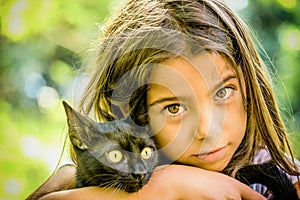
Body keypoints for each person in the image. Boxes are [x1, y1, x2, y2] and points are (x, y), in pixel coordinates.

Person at [27, 0, 300, 199]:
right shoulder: (110, 177)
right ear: (135, 112)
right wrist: (168, 184)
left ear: (250, 86)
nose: (208, 130)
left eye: (222, 92)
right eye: (174, 107)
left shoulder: (290, 180)